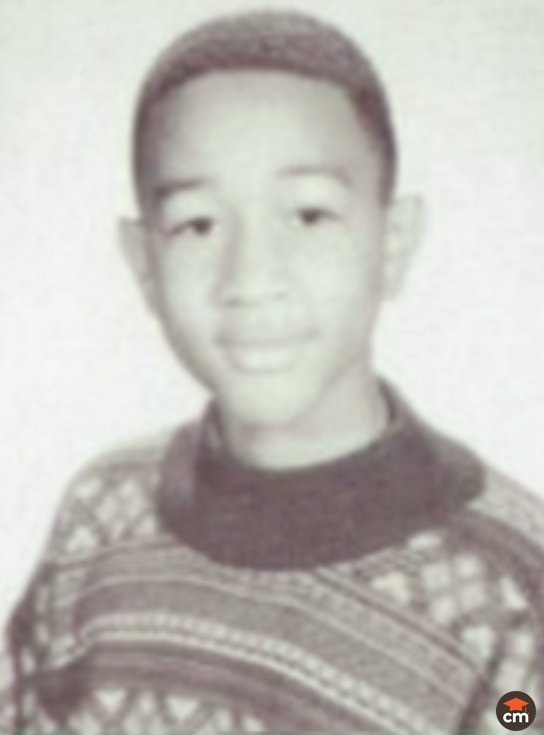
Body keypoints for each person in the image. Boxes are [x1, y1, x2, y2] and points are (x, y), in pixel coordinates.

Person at [1, 10, 542, 734]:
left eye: (310, 216)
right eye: (198, 224)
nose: (252, 279)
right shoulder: (99, 522)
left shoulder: (507, 597)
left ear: (393, 243)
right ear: (144, 265)